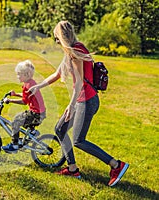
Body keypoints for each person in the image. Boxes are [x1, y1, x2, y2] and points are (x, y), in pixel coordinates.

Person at [28, 21, 129, 187]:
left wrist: (71, 105)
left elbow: (80, 83)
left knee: (79, 140)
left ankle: (116, 165)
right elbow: (57, 73)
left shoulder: (75, 52)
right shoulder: (73, 50)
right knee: (60, 129)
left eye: (57, 38)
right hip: (85, 99)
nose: (56, 42)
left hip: (86, 101)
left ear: (62, 37)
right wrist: (38, 86)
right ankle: (73, 169)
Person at [1, 60, 46, 154]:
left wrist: (10, 100)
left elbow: (24, 101)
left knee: (16, 121)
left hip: (35, 114)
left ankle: (14, 145)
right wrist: (15, 94)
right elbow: (27, 96)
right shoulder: (31, 83)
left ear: (27, 74)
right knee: (24, 118)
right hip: (40, 113)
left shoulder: (27, 85)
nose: (18, 76)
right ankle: (32, 132)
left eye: (19, 74)